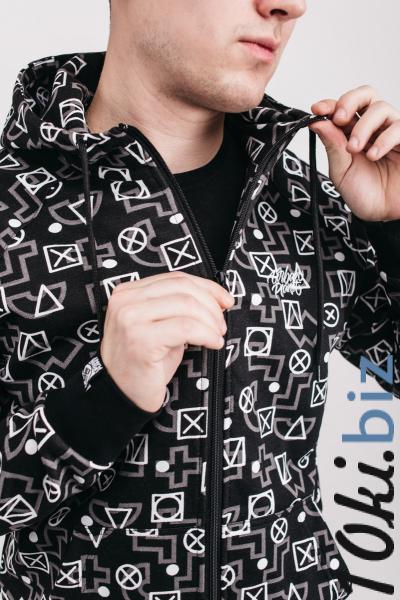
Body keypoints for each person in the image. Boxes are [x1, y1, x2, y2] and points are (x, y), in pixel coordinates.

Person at [0, 1, 399, 598]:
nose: (289, 5)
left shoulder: (314, 198)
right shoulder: (14, 204)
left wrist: (394, 229)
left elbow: (390, 367)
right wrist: (101, 399)